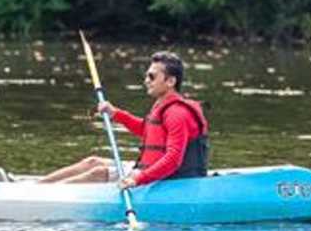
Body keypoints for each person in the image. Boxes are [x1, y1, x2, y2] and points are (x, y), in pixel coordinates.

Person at [38, 51, 208, 189]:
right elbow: (147, 131)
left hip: (167, 179)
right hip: (147, 170)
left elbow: (173, 160)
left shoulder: (177, 113)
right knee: (92, 161)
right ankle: (35, 187)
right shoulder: (162, 105)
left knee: (98, 172)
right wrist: (115, 113)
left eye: (152, 77)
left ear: (170, 81)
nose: (146, 81)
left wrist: (138, 179)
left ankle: (43, 196)